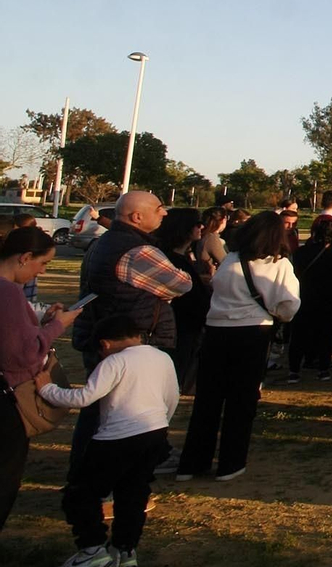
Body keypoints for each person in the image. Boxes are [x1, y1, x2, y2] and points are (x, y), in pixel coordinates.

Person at [39, 314, 178, 567]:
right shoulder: (162, 357)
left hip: (116, 438)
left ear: (104, 344)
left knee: (81, 493)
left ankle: (92, 550)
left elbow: (84, 397)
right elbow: (172, 396)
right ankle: (125, 550)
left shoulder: (114, 361)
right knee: (133, 493)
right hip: (154, 431)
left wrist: (47, 389)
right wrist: (161, 424)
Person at [70, 191, 191, 474]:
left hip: (106, 335)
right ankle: (102, 478)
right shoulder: (139, 251)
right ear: (137, 217)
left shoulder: (103, 243)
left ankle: (89, 473)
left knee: (100, 408)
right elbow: (182, 283)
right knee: (123, 411)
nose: (165, 214)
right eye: (160, 208)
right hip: (131, 340)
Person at [176, 211, 300, 481]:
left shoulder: (231, 260)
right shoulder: (278, 265)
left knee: (207, 399)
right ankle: (230, 462)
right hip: (252, 332)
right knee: (241, 399)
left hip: (216, 331)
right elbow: (289, 304)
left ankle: (193, 461)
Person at [1, 227, 83, 531]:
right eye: (43, 264)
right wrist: (57, 326)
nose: (43, 271)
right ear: (24, 258)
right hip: (8, 398)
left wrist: (41, 323)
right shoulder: (7, 290)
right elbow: (23, 354)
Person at [288, 214, 332, 382]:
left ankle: (294, 370)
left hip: (304, 295)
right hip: (331, 296)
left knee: (300, 332)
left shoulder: (301, 252)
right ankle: (323, 368)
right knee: (326, 331)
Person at [151, 208, 209, 394]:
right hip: (177, 329)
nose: (201, 227)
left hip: (184, 328)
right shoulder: (171, 260)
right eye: (196, 223)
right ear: (183, 228)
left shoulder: (180, 258)